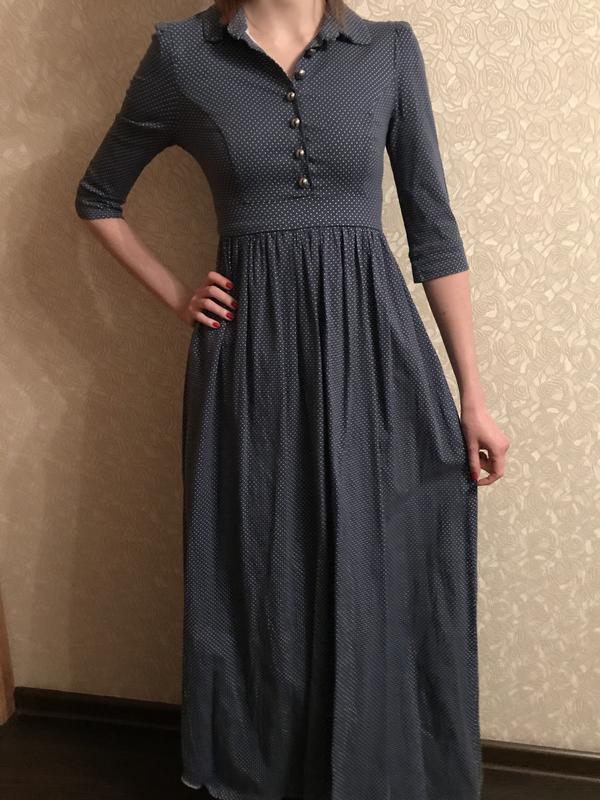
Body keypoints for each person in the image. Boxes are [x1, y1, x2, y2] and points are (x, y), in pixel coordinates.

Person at [74, 1, 510, 798]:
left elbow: (434, 232)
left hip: (377, 351)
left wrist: (472, 395)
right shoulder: (182, 56)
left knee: (387, 560)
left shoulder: (387, 51)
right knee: (262, 566)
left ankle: (385, 768)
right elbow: (98, 198)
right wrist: (177, 295)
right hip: (253, 359)